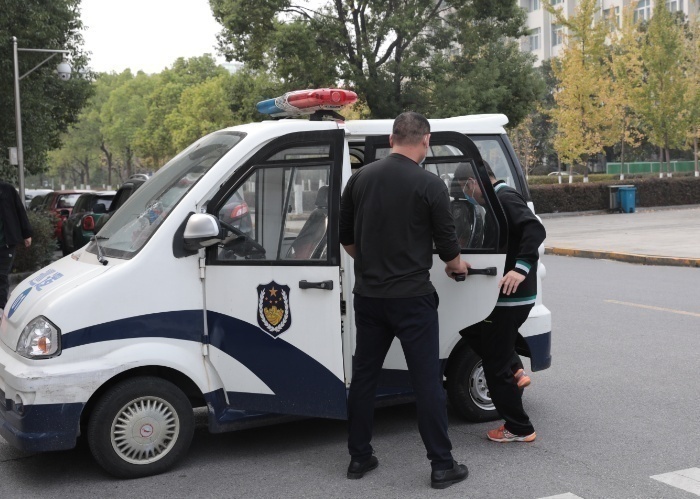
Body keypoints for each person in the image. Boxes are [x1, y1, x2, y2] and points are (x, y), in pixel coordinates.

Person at [339, 112, 470, 489]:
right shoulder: (430, 184)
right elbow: (449, 248)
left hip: (369, 297)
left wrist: (371, 263)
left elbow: (346, 238)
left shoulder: (360, 179)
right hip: (412, 299)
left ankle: (359, 458)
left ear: (391, 139)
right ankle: (441, 465)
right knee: (426, 380)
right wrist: (457, 266)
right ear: (426, 140)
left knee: (364, 376)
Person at [464, 161, 546, 443]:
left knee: (494, 365)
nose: (467, 195)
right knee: (471, 329)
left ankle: (519, 427)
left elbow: (534, 229)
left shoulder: (504, 196)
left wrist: (520, 268)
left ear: (473, 182)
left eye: (465, 188)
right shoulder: (497, 199)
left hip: (512, 297)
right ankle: (514, 366)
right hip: (503, 296)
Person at [0, 181, 33, 311]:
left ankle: (1, 308)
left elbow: (20, 210)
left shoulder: (7, 190)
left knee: (1, 276)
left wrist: (27, 234)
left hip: (6, 243)